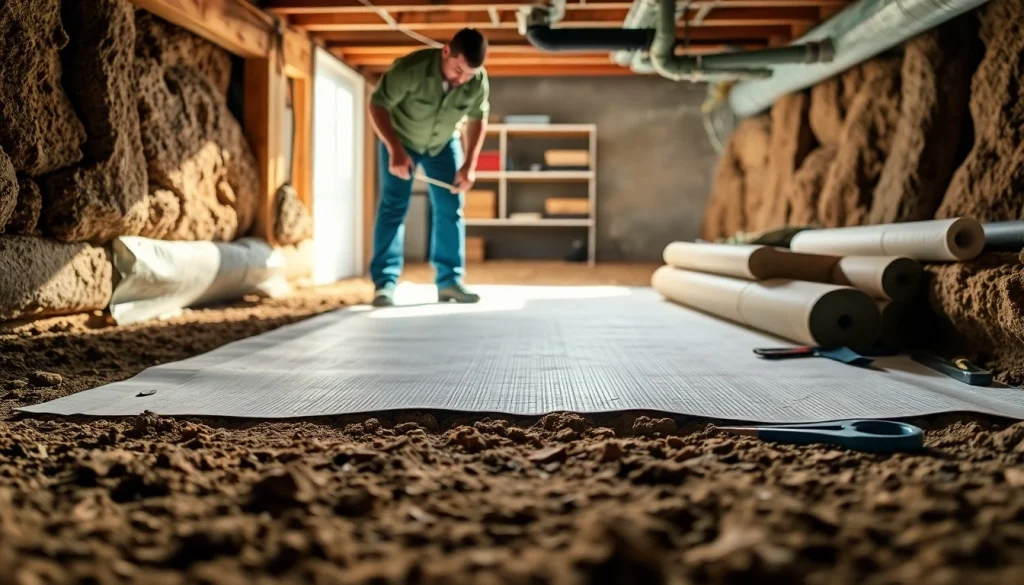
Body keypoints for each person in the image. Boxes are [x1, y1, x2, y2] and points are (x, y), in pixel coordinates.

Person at [367, 28, 490, 307]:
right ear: (446, 51)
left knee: (451, 207)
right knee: (393, 206)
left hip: (443, 145)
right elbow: (377, 105)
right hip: (401, 141)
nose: (461, 79)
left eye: (469, 74)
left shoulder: (477, 80)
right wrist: (395, 150)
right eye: (458, 70)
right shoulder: (410, 69)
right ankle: (384, 284)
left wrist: (470, 164)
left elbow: (477, 118)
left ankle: (449, 282)